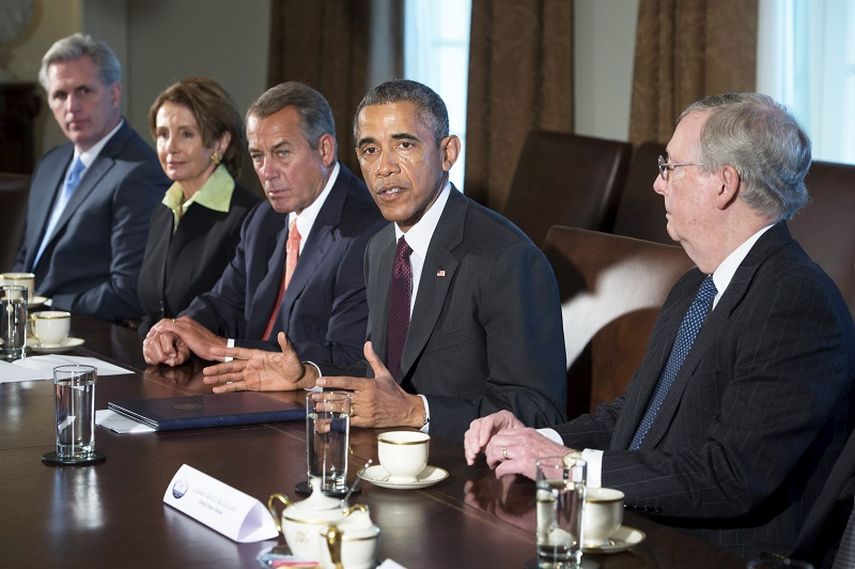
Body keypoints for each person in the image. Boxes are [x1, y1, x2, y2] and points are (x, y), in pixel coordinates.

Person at [463, 93, 855, 559]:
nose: (657, 184)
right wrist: (538, 440)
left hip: (711, 553)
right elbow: (634, 417)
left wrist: (567, 466)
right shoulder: (696, 286)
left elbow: (731, 476)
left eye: (670, 168)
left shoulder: (795, 302)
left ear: (724, 184)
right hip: (643, 530)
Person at [204, 79, 567, 441]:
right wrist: (309, 377)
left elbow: (539, 411)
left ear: (448, 153)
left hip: (467, 473)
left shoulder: (507, 258)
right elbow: (379, 373)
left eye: (404, 145)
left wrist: (416, 412)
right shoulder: (380, 248)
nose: (384, 167)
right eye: (370, 150)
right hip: (385, 462)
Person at [142, 82, 385, 373]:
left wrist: (225, 348)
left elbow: (344, 356)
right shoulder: (263, 218)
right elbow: (224, 302)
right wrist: (180, 330)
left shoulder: (369, 230)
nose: (267, 173)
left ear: (324, 149)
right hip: (246, 392)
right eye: (258, 156)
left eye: (282, 153)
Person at [12, 33, 168, 322]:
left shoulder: (139, 171)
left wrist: (43, 310)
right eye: (60, 95)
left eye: (84, 91)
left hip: (86, 339)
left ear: (114, 93)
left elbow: (127, 292)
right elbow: (25, 262)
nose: (72, 106)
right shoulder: (49, 163)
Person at [137, 77, 259, 334]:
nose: (170, 147)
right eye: (162, 134)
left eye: (186, 134)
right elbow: (151, 310)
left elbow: (239, 318)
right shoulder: (164, 210)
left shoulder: (249, 217)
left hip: (212, 370)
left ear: (220, 143)